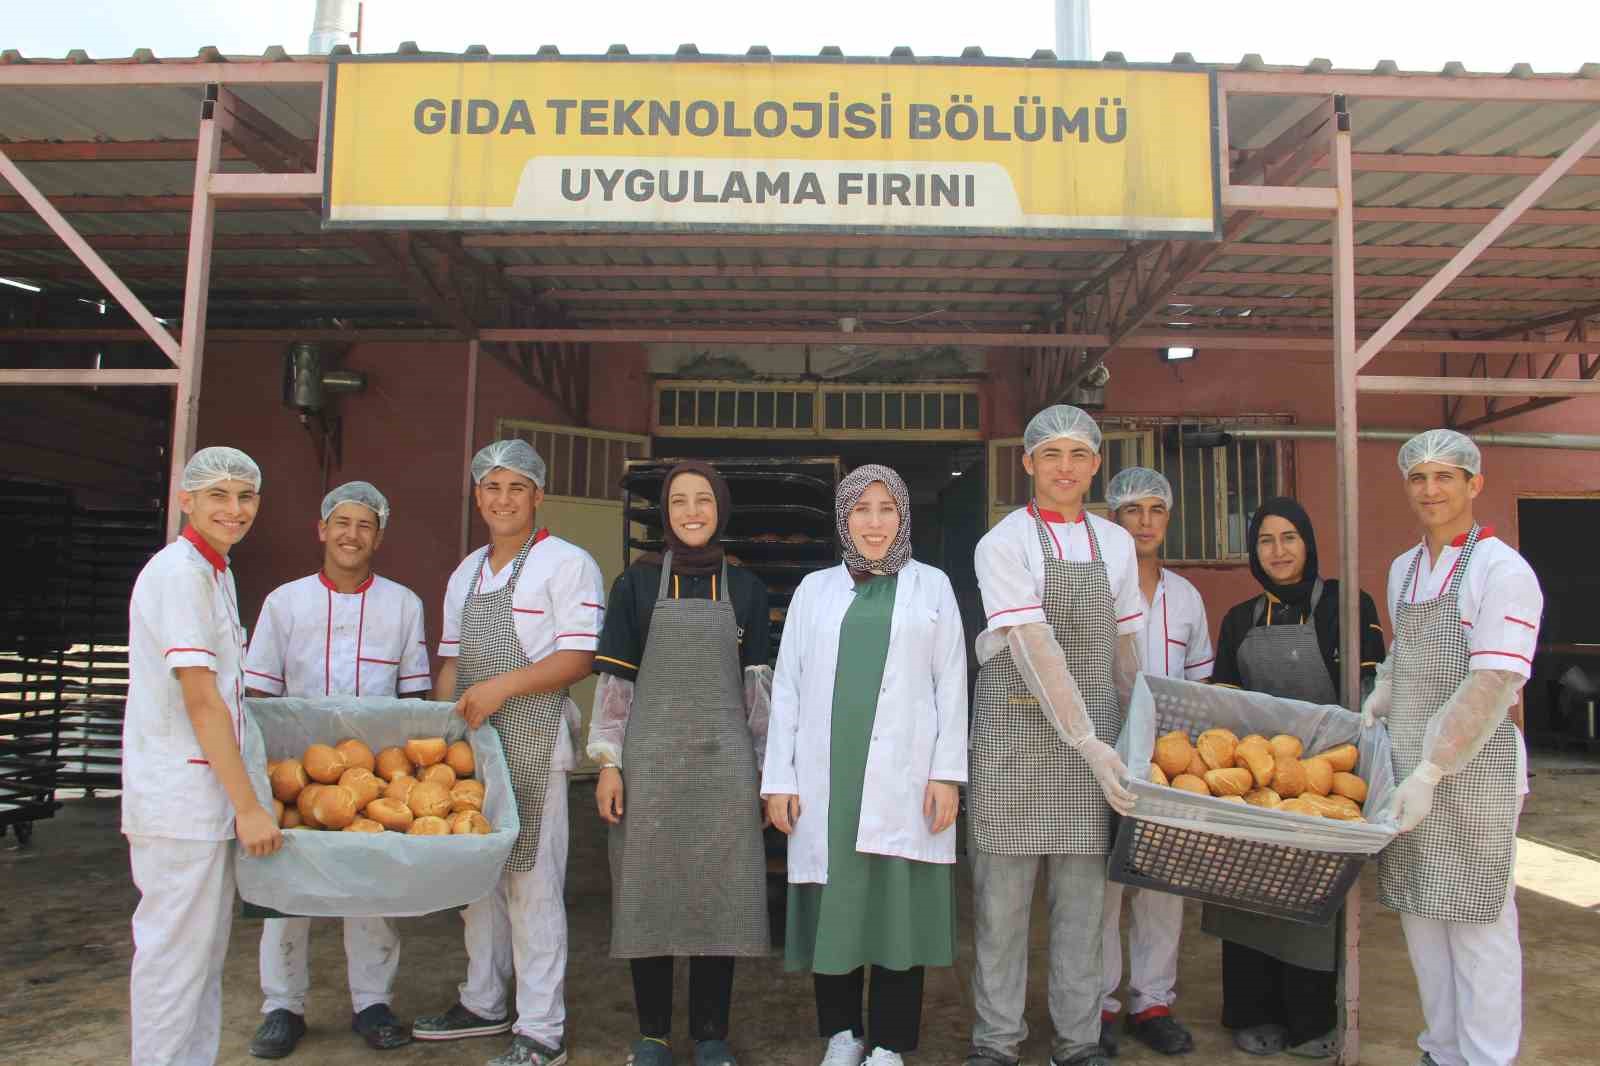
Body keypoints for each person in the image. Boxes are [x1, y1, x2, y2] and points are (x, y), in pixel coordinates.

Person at [764, 464, 967, 1066]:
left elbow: (952, 683)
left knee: (896, 908)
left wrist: (947, 774)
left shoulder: (933, 587)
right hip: (828, 779)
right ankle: (843, 1034)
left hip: (907, 779)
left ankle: (890, 1043)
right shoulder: (814, 590)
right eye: (861, 509)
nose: (874, 523)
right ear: (843, 518)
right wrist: (779, 779)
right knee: (837, 906)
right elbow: (789, 689)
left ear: (904, 516)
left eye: (887, 509)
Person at [412, 440, 604, 1066]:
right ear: (477, 497)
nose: (502, 499)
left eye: (516, 488)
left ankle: (542, 1028)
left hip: (531, 738)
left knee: (530, 882)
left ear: (537, 496)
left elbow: (577, 658)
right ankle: (483, 999)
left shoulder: (566, 563)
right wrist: (439, 739)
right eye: (492, 487)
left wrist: (498, 688)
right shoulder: (465, 572)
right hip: (472, 745)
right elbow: (451, 663)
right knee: (476, 880)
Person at [967, 405, 1142, 1066]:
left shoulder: (1117, 545)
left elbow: (1126, 652)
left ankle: (1079, 1041)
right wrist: (1088, 739)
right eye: (1051, 455)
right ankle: (996, 1041)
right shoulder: (1004, 542)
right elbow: (1034, 647)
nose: (1064, 468)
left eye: (1078, 455)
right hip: (1017, 744)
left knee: (1084, 908)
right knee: (1001, 909)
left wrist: (1132, 740)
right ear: (1028, 463)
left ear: (1096, 464)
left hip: (1092, 752)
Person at [587, 461, 773, 1066]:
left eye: (703, 501)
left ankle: (712, 1034)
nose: (692, 512)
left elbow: (759, 697)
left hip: (725, 771)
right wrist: (608, 763)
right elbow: (615, 687)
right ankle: (653, 1034)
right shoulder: (636, 585)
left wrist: (767, 774)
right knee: (650, 895)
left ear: (721, 509)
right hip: (650, 771)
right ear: (665, 514)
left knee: (722, 898)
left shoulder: (748, 589)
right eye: (678, 502)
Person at [1368, 430, 1541, 1066]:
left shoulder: (1503, 572)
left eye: (1446, 476)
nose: (1431, 489)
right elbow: (1403, 653)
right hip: (1407, 767)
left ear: (1475, 484)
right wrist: (1382, 693)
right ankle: (1440, 1051)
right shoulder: (1404, 568)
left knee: (1477, 920)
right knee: (1422, 911)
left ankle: (1487, 1056)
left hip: (1473, 772)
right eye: (1419, 477)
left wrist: (1435, 768)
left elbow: (1493, 684)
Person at [242, 481, 431, 1058]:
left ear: (379, 536)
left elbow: (416, 698)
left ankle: (372, 1003)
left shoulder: (403, 605)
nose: (352, 535)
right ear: (322, 530)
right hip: (293, 771)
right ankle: (282, 1007)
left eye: (365, 525)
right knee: (285, 891)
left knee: (369, 885)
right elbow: (258, 694)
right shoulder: (285, 602)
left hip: (370, 775)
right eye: (342, 523)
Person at [1206, 497, 1385, 1059]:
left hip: (1324, 776)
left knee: (1312, 901)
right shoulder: (1240, 618)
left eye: (1289, 537)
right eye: (1265, 540)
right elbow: (1225, 700)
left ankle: (1309, 1019)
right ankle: (1252, 1012)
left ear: (1308, 542)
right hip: (1256, 782)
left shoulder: (1347, 605)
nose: (1278, 551)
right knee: (1250, 895)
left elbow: (1373, 690)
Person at [124, 446, 284, 1066]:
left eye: (245, 497)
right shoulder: (178, 573)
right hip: (180, 801)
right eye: (218, 495)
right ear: (186, 500)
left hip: (204, 799)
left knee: (201, 959)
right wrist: (249, 806)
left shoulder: (215, 571)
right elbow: (202, 701)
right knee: (173, 961)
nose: (234, 509)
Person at [1097, 467, 1211, 1058]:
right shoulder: (1093, 588)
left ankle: (1153, 1002)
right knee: (1104, 883)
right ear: (1112, 518)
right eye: (1132, 510)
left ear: (1168, 521)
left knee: (1164, 886)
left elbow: (1200, 685)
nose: (1144, 522)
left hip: (1170, 765)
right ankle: (1099, 1006)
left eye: (1155, 511)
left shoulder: (1186, 597)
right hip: (1103, 758)